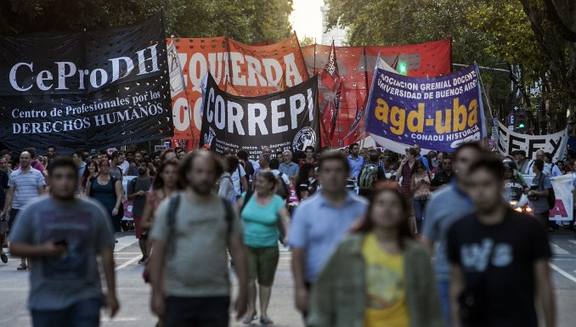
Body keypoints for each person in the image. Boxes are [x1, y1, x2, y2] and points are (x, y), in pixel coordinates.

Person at [308, 185, 443, 327]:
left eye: (394, 204)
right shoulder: (350, 248)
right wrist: (319, 320)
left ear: (403, 212)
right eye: (381, 203)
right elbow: (323, 287)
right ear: (370, 210)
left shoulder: (417, 254)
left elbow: (432, 304)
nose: (387, 209)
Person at [9, 157, 119, 327]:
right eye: (59, 177)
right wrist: (43, 250)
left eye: (69, 177)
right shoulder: (34, 210)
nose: (64, 182)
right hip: (45, 299)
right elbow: (14, 247)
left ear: (77, 180)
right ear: (50, 180)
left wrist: (111, 293)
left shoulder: (93, 211)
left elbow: (106, 253)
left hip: (85, 296)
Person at [447, 156, 555, 327]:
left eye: (487, 184)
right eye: (474, 185)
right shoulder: (458, 230)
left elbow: (544, 285)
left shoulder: (530, 228)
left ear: (499, 184)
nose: (480, 191)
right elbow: (456, 287)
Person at [148, 151, 248, 326]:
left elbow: (238, 252)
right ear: (188, 174)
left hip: (216, 297)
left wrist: (244, 291)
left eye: (209, 172)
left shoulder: (226, 210)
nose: (204, 177)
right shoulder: (170, 208)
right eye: (199, 171)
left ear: (216, 175)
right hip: (177, 295)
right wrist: (156, 293)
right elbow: (158, 253)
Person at [289, 150, 367, 316]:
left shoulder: (363, 208)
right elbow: (298, 252)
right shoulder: (306, 209)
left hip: (353, 288)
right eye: (327, 170)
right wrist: (299, 288)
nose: (333, 176)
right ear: (319, 175)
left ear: (347, 173)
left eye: (338, 170)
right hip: (316, 286)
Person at [421, 142, 484, 324]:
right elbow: (427, 243)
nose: (469, 165)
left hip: (485, 279)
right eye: (463, 160)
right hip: (445, 278)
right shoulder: (438, 200)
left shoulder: (493, 198)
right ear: (455, 164)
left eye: (475, 160)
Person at [237, 171, 290, 325]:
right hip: (247, 245)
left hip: (269, 247)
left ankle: (264, 313)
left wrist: (288, 235)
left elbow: (285, 219)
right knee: (248, 279)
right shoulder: (246, 197)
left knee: (265, 282)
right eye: (256, 181)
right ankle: (251, 310)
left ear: (271, 185)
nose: (257, 184)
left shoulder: (277, 201)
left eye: (261, 182)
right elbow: (233, 215)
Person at [1, 150, 46, 270]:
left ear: (31, 159)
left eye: (26, 158)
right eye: (22, 158)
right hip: (17, 209)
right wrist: (5, 210)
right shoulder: (14, 174)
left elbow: (42, 192)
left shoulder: (37, 174)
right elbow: (10, 193)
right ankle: (23, 262)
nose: (23, 160)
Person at [141, 160, 180, 259]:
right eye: (167, 172)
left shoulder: (184, 195)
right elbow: (144, 222)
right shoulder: (153, 196)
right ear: (162, 174)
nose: (170, 176)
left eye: (174, 172)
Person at [86, 159, 124, 233]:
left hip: (110, 210)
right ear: (99, 167)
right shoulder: (92, 180)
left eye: (107, 165)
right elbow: (87, 195)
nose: (105, 167)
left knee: (110, 231)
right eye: (103, 165)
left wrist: (116, 208)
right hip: (96, 209)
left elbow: (119, 195)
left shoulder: (115, 181)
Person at [127, 162, 152, 264]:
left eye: (143, 165)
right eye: (139, 166)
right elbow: (128, 197)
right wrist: (137, 194)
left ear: (147, 167)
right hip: (138, 211)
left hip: (151, 212)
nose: (141, 167)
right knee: (141, 235)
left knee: (150, 235)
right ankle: (144, 256)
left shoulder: (152, 180)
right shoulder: (133, 181)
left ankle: (148, 256)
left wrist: (147, 193)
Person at [528, 159, 553, 228]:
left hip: (542, 209)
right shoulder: (534, 178)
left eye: (533, 165)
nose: (532, 167)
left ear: (536, 166)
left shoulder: (545, 178)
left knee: (543, 230)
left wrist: (535, 192)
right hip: (535, 209)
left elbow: (547, 193)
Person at [411, 160, 431, 234]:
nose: (420, 169)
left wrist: (427, 183)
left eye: (421, 167)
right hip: (417, 198)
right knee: (418, 217)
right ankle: (419, 233)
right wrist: (417, 185)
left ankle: (427, 233)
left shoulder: (427, 174)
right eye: (418, 167)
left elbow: (432, 185)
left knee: (427, 217)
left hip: (427, 197)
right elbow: (411, 189)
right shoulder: (414, 176)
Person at [0, 157, 9, 263]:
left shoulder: (4, 175)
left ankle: (1, 249)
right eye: (0, 163)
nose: (2, 164)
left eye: (3, 163)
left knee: (2, 232)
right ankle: (1, 251)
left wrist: (7, 207)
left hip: (1, 206)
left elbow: (8, 192)